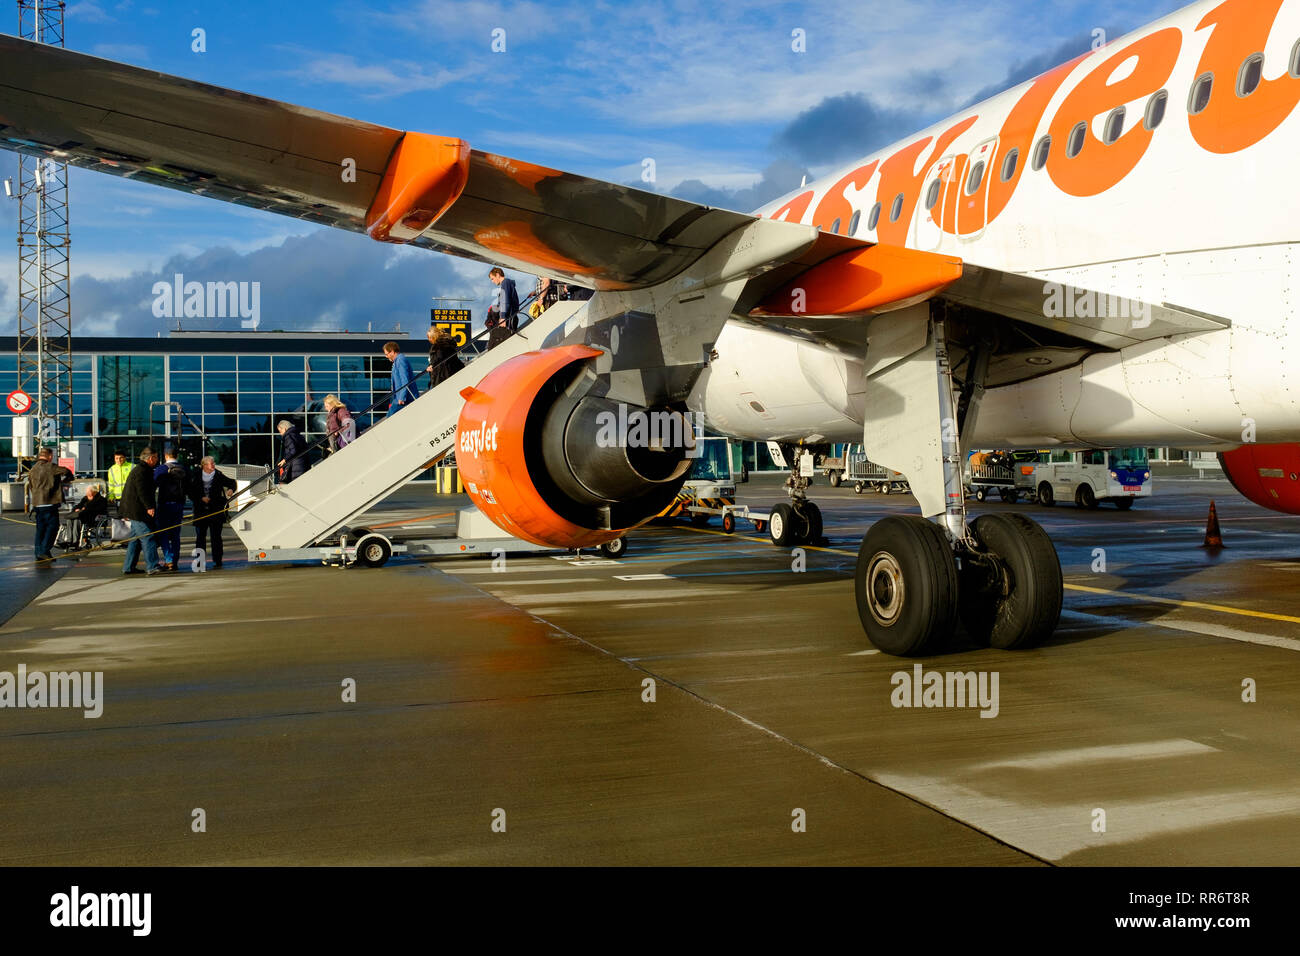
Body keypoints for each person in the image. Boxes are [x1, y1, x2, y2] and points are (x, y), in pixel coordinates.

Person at [187, 456, 238, 569]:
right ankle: (200, 561)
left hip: (216, 510)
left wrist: (231, 489)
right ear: (204, 465)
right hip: (200, 510)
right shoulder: (196, 475)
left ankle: (218, 560)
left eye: (213, 463)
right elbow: (190, 492)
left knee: (216, 536)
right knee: (200, 537)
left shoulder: (218, 475)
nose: (213, 465)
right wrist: (201, 498)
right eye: (210, 463)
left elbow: (232, 483)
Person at [25, 446, 73, 564]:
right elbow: (66, 471)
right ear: (50, 456)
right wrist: (66, 479)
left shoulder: (33, 469)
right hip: (49, 502)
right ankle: (45, 550)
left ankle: (38, 553)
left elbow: (30, 486)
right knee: (53, 527)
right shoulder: (51, 467)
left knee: (40, 529)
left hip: (37, 503)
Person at [119, 447, 161, 575]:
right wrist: (149, 507)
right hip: (137, 510)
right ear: (151, 458)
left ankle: (128, 566)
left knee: (135, 539)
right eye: (156, 457)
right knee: (148, 536)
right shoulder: (142, 471)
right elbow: (142, 491)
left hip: (133, 509)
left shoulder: (141, 469)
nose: (157, 460)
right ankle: (152, 566)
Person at [153, 448, 187, 571]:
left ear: (166, 456)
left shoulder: (161, 469)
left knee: (164, 533)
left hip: (164, 505)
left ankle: (168, 560)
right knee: (175, 535)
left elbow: (153, 485)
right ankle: (175, 560)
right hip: (179, 505)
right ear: (177, 456)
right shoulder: (184, 469)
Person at [68, 484, 108, 549]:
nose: (86, 492)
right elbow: (79, 505)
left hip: (93, 518)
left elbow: (97, 510)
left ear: (93, 492)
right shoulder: (85, 498)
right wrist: (76, 509)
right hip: (84, 515)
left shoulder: (101, 500)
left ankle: (75, 541)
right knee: (70, 519)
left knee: (77, 520)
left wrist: (85, 508)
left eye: (88, 491)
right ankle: (69, 540)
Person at [383, 342, 419, 413]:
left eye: (386, 354)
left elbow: (405, 380)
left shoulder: (400, 360)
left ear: (392, 352)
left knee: (390, 418)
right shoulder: (396, 362)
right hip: (398, 398)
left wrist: (402, 397)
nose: (386, 356)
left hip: (404, 399)